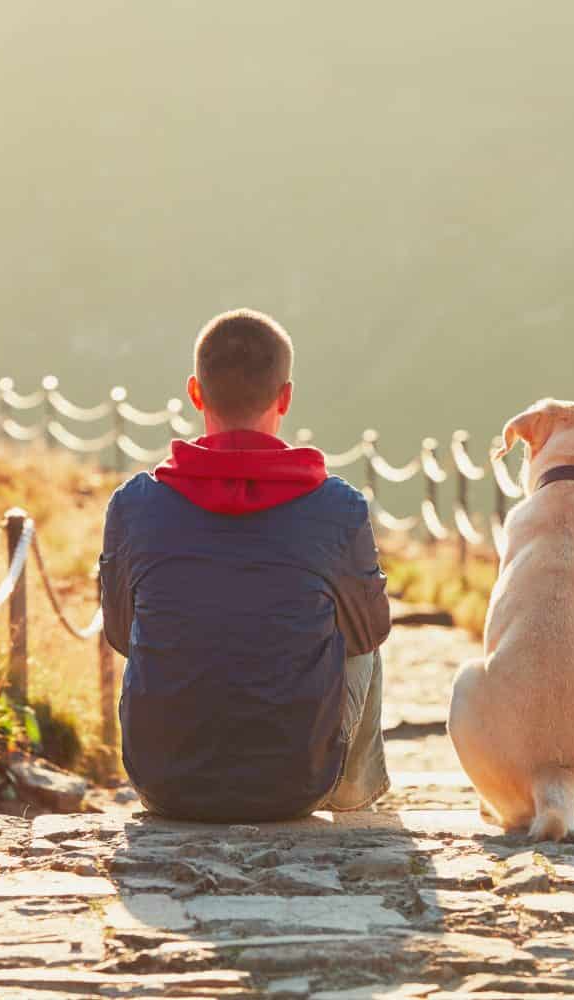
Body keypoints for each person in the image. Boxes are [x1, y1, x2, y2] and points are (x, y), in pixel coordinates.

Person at [99, 309, 391, 822]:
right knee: (361, 632)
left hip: (166, 785)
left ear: (195, 393)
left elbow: (121, 635)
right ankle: (350, 800)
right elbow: (371, 633)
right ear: (285, 397)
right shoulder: (337, 507)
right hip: (297, 787)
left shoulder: (135, 504)